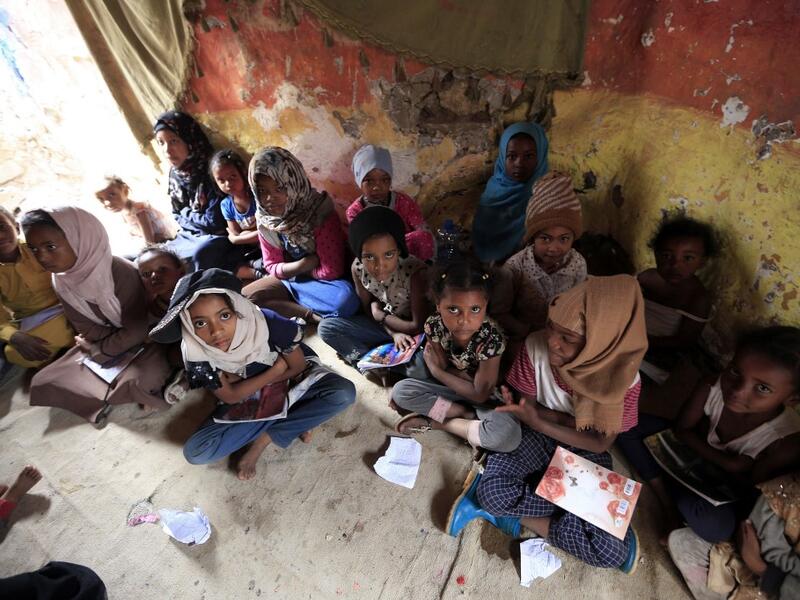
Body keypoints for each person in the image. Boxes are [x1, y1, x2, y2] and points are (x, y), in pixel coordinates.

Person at [448, 275, 648, 573]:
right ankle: (572, 520)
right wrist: (546, 421)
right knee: (493, 492)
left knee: (610, 553)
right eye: (551, 328)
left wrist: (546, 419)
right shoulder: (535, 347)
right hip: (534, 439)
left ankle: (513, 513)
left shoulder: (625, 381)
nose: (552, 341)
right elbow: (528, 410)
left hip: (583, 451)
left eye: (567, 338)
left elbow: (598, 442)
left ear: (604, 344)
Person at [150, 269, 356, 480]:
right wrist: (275, 370)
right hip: (262, 389)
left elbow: (297, 367)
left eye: (224, 316)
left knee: (343, 393)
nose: (216, 331)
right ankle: (297, 418)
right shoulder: (194, 352)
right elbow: (230, 397)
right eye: (200, 323)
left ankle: (263, 440)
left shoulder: (266, 322)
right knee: (197, 452)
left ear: (236, 307)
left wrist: (243, 384)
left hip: (289, 379)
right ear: (187, 325)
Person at [654, 326, 800, 544]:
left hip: (721, 489)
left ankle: (664, 491)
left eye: (762, 388)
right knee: (631, 426)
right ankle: (667, 502)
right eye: (735, 371)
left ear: (792, 400)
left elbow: (751, 492)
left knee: (716, 525)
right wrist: (730, 463)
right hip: (689, 458)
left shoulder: (785, 439)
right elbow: (681, 429)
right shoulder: (713, 386)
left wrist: (728, 467)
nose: (737, 391)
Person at [24, 207, 171, 424]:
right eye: (34, 250)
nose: (42, 257)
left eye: (50, 246)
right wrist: (102, 344)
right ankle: (115, 390)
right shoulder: (61, 280)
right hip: (111, 342)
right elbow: (85, 327)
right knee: (44, 379)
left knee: (140, 380)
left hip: (151, 337)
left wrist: (98, 350)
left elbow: (138, 329)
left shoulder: (118, 271)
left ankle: (133, 387)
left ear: (80, 238)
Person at [391, 260, 521, 453]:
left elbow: (480, 394)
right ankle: (463, 414)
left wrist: (436, 372)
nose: (464, 320)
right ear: (438, 305)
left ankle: (441, 423)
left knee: (508, 437)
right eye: (453, 309)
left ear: (485, 306)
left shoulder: (491, 339)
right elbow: (444, 364)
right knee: (401, 392)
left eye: (475, 309)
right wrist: (455, 376)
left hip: (488, 402)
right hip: (454, 391)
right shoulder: (433, 325)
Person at [242, 147, 360, 322]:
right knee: (246, 298)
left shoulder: (319, 212)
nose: (269, 198)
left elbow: (331, 271)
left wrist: (290, 272)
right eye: (262, 191)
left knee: (346, 301)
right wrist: (305, 264)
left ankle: (293, 308)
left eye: (279, 188)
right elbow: (271, 265)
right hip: (290, 279)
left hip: (322, 283)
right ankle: (311, 315)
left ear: (293, 183)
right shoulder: (266, 219)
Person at [319, 206, 430, 377]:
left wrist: (383, 317)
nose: (379, 266)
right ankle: (366, 363)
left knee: (421, 370)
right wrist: (392, 332)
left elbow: (416, 326)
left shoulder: (415, 272)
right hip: (384, 328)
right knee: (326, 328)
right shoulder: (358, 268)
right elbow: (368, 312)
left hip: (413, 335)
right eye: (369, 257)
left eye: (388, 255)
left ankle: (380, 363)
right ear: (360, 255)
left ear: (399, 250)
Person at [668, 472, 799, 600]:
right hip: (754, 532)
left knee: (684, 541)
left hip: (762, 570)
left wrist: (759, 568)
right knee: (709, 527)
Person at [497, 171, 587, 341]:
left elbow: (579, 305)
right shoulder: (515, 267)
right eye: (545, 238)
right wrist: (526, 332)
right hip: (523, 336)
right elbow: (499, 312)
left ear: (573, 238)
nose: (554, 248)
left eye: (564, 239)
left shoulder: (578, 264)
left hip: (562, 337)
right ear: (532, 238)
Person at [154, 110, 241, 271]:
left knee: (199, 254)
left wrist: (186, 212)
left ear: (189, 140)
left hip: (215, 237)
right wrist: (189, 216)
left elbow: (214, 222)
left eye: (173, 141)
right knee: (160, 257)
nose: (167, 150)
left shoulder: (211, 171)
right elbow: (175, 214)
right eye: (161, 142)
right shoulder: (175, 174)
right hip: (188, 235)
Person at [637, 215, 717, 386]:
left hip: (660, 349)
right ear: (656, 254)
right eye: (666, 255)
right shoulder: (646, 278)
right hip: (631, 335)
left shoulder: (698, 298)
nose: (674, 265)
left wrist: (641, 342)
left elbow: (684, 341)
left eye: (687, 258)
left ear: (702, 262)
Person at [0, 206, 73, 371]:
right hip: (35, 318)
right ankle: (73, 335)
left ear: (17, 228)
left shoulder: (37, 247)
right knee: (14, 353)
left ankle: (71, 336)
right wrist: (14, 336)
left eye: (2, 227)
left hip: (68, 300)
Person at [472, 122, 549, 263]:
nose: (519, 163)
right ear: (502, 157)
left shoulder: (548, 193)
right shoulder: (493, 194)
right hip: (489, 272)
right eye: (512, 156)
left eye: (528, 156)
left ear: (540, 157)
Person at [346, 144, 434, 261]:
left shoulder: (403, 202)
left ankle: (416, 272)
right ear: (359, 181)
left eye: (384, 179)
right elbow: (362, 245)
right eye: (369, 181)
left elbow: (421, 227)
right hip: (376, 258)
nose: (377, 187)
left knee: (424, 237)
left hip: (403, 254)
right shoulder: (355, 212)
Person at [210, 149, 263, 281]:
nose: (228, 184)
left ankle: (260, 269)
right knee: (222, 264)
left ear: (242, 173)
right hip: (250, 250)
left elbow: (268, 231)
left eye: (232, 177)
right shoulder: (226, 205)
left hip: (268, 244)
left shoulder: (257, 195)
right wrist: (247, 235)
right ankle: (259, 273)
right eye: (221, 180)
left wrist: (241, 237)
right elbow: (236, 235)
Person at [94, 175, 176, 245]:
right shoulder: (124, 213)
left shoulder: (140, 210)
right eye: (101, 199)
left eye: (112, 195)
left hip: (167, 243)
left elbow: (150, 243)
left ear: (125, 191)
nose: (107, 203)